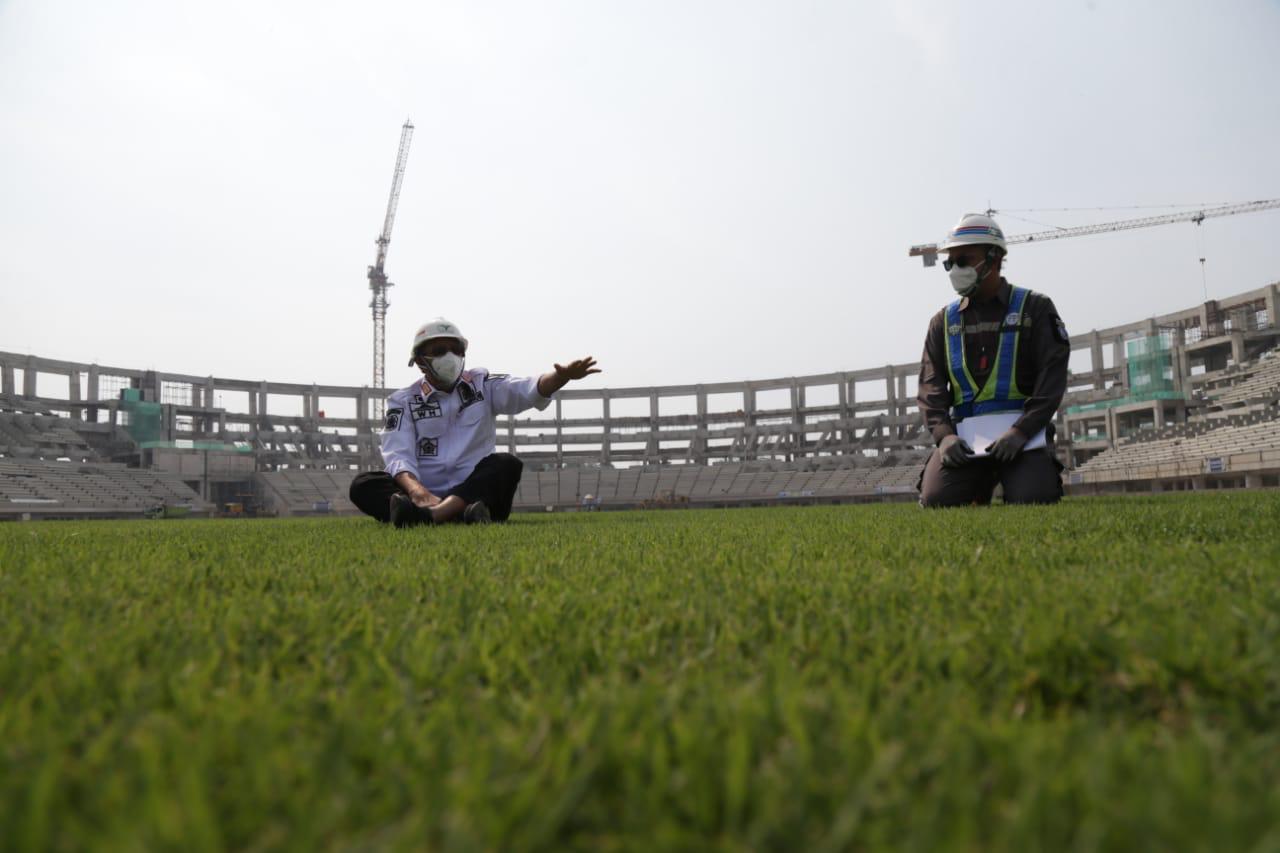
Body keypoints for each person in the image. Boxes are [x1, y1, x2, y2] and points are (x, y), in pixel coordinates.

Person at [349, 317, 600, 527]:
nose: (450, 356)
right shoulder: (403, 401)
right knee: (363, 484)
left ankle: (432, 516)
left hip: (476, 491)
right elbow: (397, 454)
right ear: (420, 362)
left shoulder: (482, 384)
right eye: (439, 351)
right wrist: (418, 493)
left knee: (507, 464)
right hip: (422, 492)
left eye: (456, 350)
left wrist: (560, 376)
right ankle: (452, 515)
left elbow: (526, 389)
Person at [916, 213, 1070, 507]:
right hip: (964, 441)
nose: (955, 270)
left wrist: (1020, 432)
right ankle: (978, 482)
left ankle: (1027, 474)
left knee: (1033, 499)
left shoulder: (1035, 308)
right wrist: (944, 436)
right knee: (937, 501)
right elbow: (930, 388)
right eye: (950, 263)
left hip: (1022, 437)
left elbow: (1051, 380)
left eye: (964, 261)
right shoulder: (942, 322)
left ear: (994, 258)